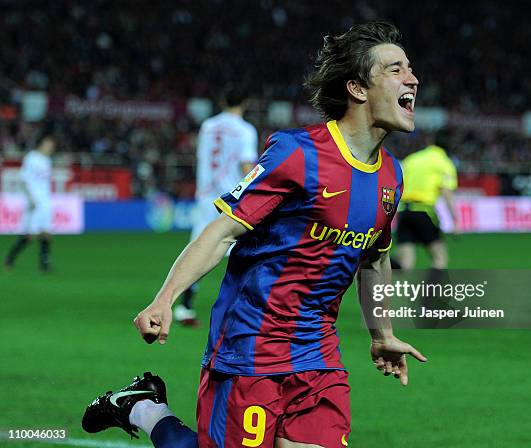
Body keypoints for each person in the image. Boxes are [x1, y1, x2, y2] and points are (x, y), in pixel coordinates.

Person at [83, 21, 427, 448]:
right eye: (395, 69)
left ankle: (142, 406)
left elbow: (375, 260)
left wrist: (381, 334)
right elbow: (224, 231)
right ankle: (144, 408)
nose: (412, 78)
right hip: (250, 347)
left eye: (409, 68)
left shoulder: (391, 175)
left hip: (318, 353)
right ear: (357, 88)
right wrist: (165, 298)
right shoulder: (298, 154)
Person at [174, 86, 258, 327]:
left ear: (222, 99)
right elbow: (246, 166)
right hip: (231, 200)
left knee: (199, 249)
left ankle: (185, 306)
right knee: (244, 251)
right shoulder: (245, 130)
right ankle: (244, 310)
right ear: (246, 103)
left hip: (205, 196)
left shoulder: (208, 126)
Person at [395, 133, 458, 272]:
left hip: (404, 211)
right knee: (440, 258)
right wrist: (455, 221)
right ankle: (429, 293)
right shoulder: (444, 163)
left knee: (405, 264)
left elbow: (397, 185)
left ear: (432, 141)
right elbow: (447, 192)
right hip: (424, 211)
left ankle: (377, 262)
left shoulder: (412, 159)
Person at [4, 133, 56, 272]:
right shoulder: (32, 158)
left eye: (52, 145)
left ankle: (44, 264)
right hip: (34, 201)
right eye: (48, 144)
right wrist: (30, 198)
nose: (50, 147)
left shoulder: (47, 160)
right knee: (29, 235)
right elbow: (24, 179)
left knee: (46, 233)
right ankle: (10, 258)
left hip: (45, 201)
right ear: (41, 144)